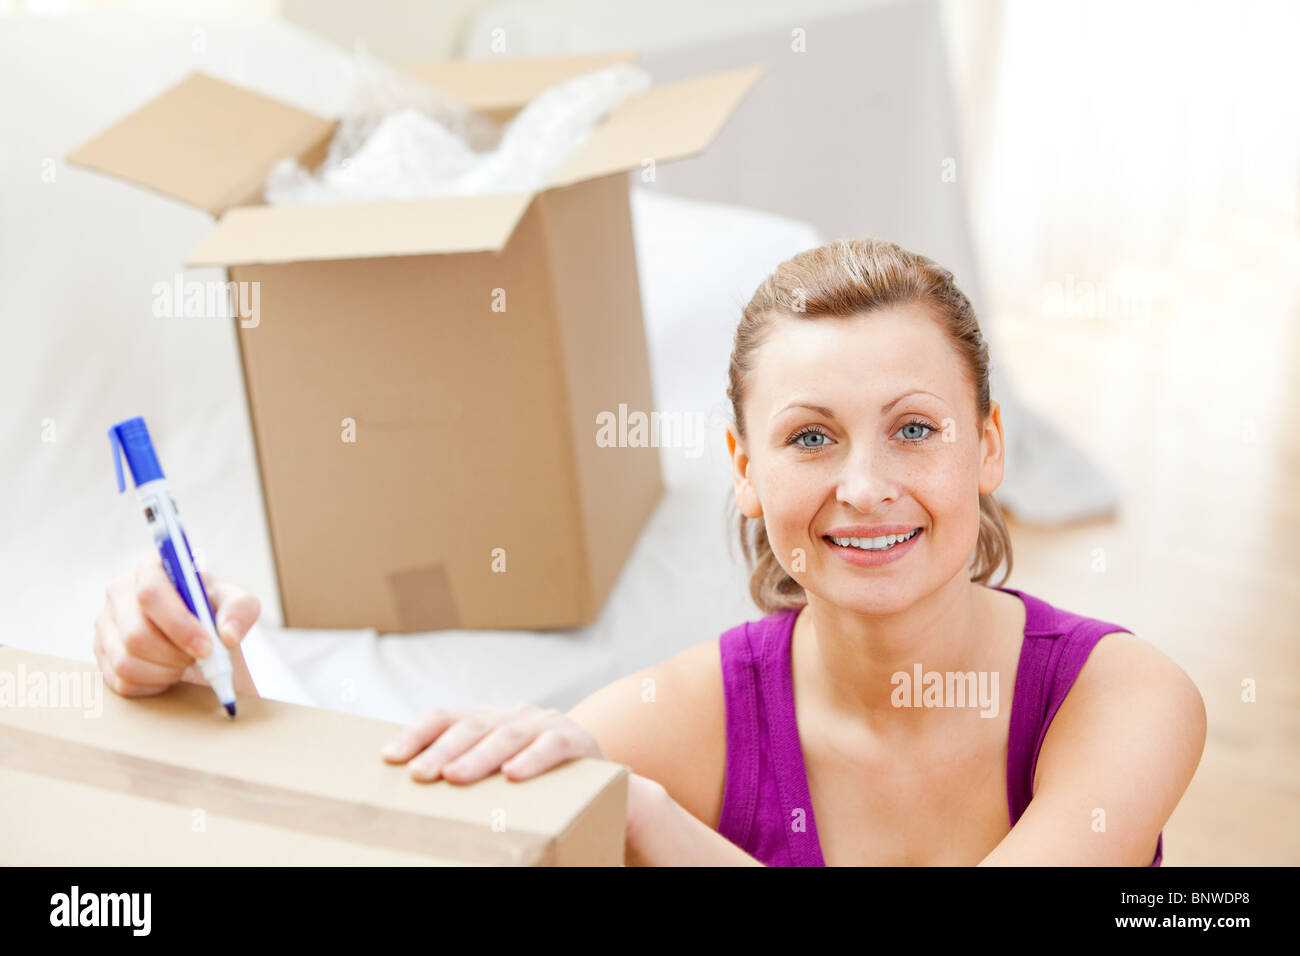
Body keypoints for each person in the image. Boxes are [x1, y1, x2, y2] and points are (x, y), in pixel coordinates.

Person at [93, 237, 1205, 866]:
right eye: (809, 436)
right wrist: (211, 688)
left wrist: (649, 820)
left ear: (988, 448)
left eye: (914, 428)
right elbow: (383, 837)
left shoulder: (1123, 696)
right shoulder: (694, 715)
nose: (863, 485)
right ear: (742, 467)